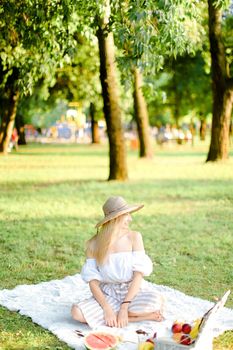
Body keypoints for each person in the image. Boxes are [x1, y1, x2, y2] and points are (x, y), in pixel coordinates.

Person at [71, 196, 164, 328]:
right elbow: (93, 282)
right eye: (126, 214)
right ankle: (136, 317)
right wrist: (106, 308)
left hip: (132, 291)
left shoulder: (134, 237)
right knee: (76, 313)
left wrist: (124, 307)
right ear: (115, 218)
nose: (130, 219)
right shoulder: (93, 244)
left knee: (155, 300)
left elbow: (138, 276)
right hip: (108, 293)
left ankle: (123, 315)